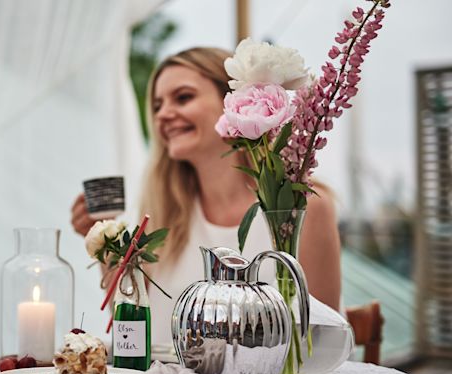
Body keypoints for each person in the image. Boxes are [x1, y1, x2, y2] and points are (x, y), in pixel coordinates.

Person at [71, 47, 342, 345]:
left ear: (234, 104)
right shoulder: (161, 218)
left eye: (183, 97)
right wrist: (104, 244)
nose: (163, 114)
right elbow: (133, 328)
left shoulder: (303, 208)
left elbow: (319, 341)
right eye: (158, 105)